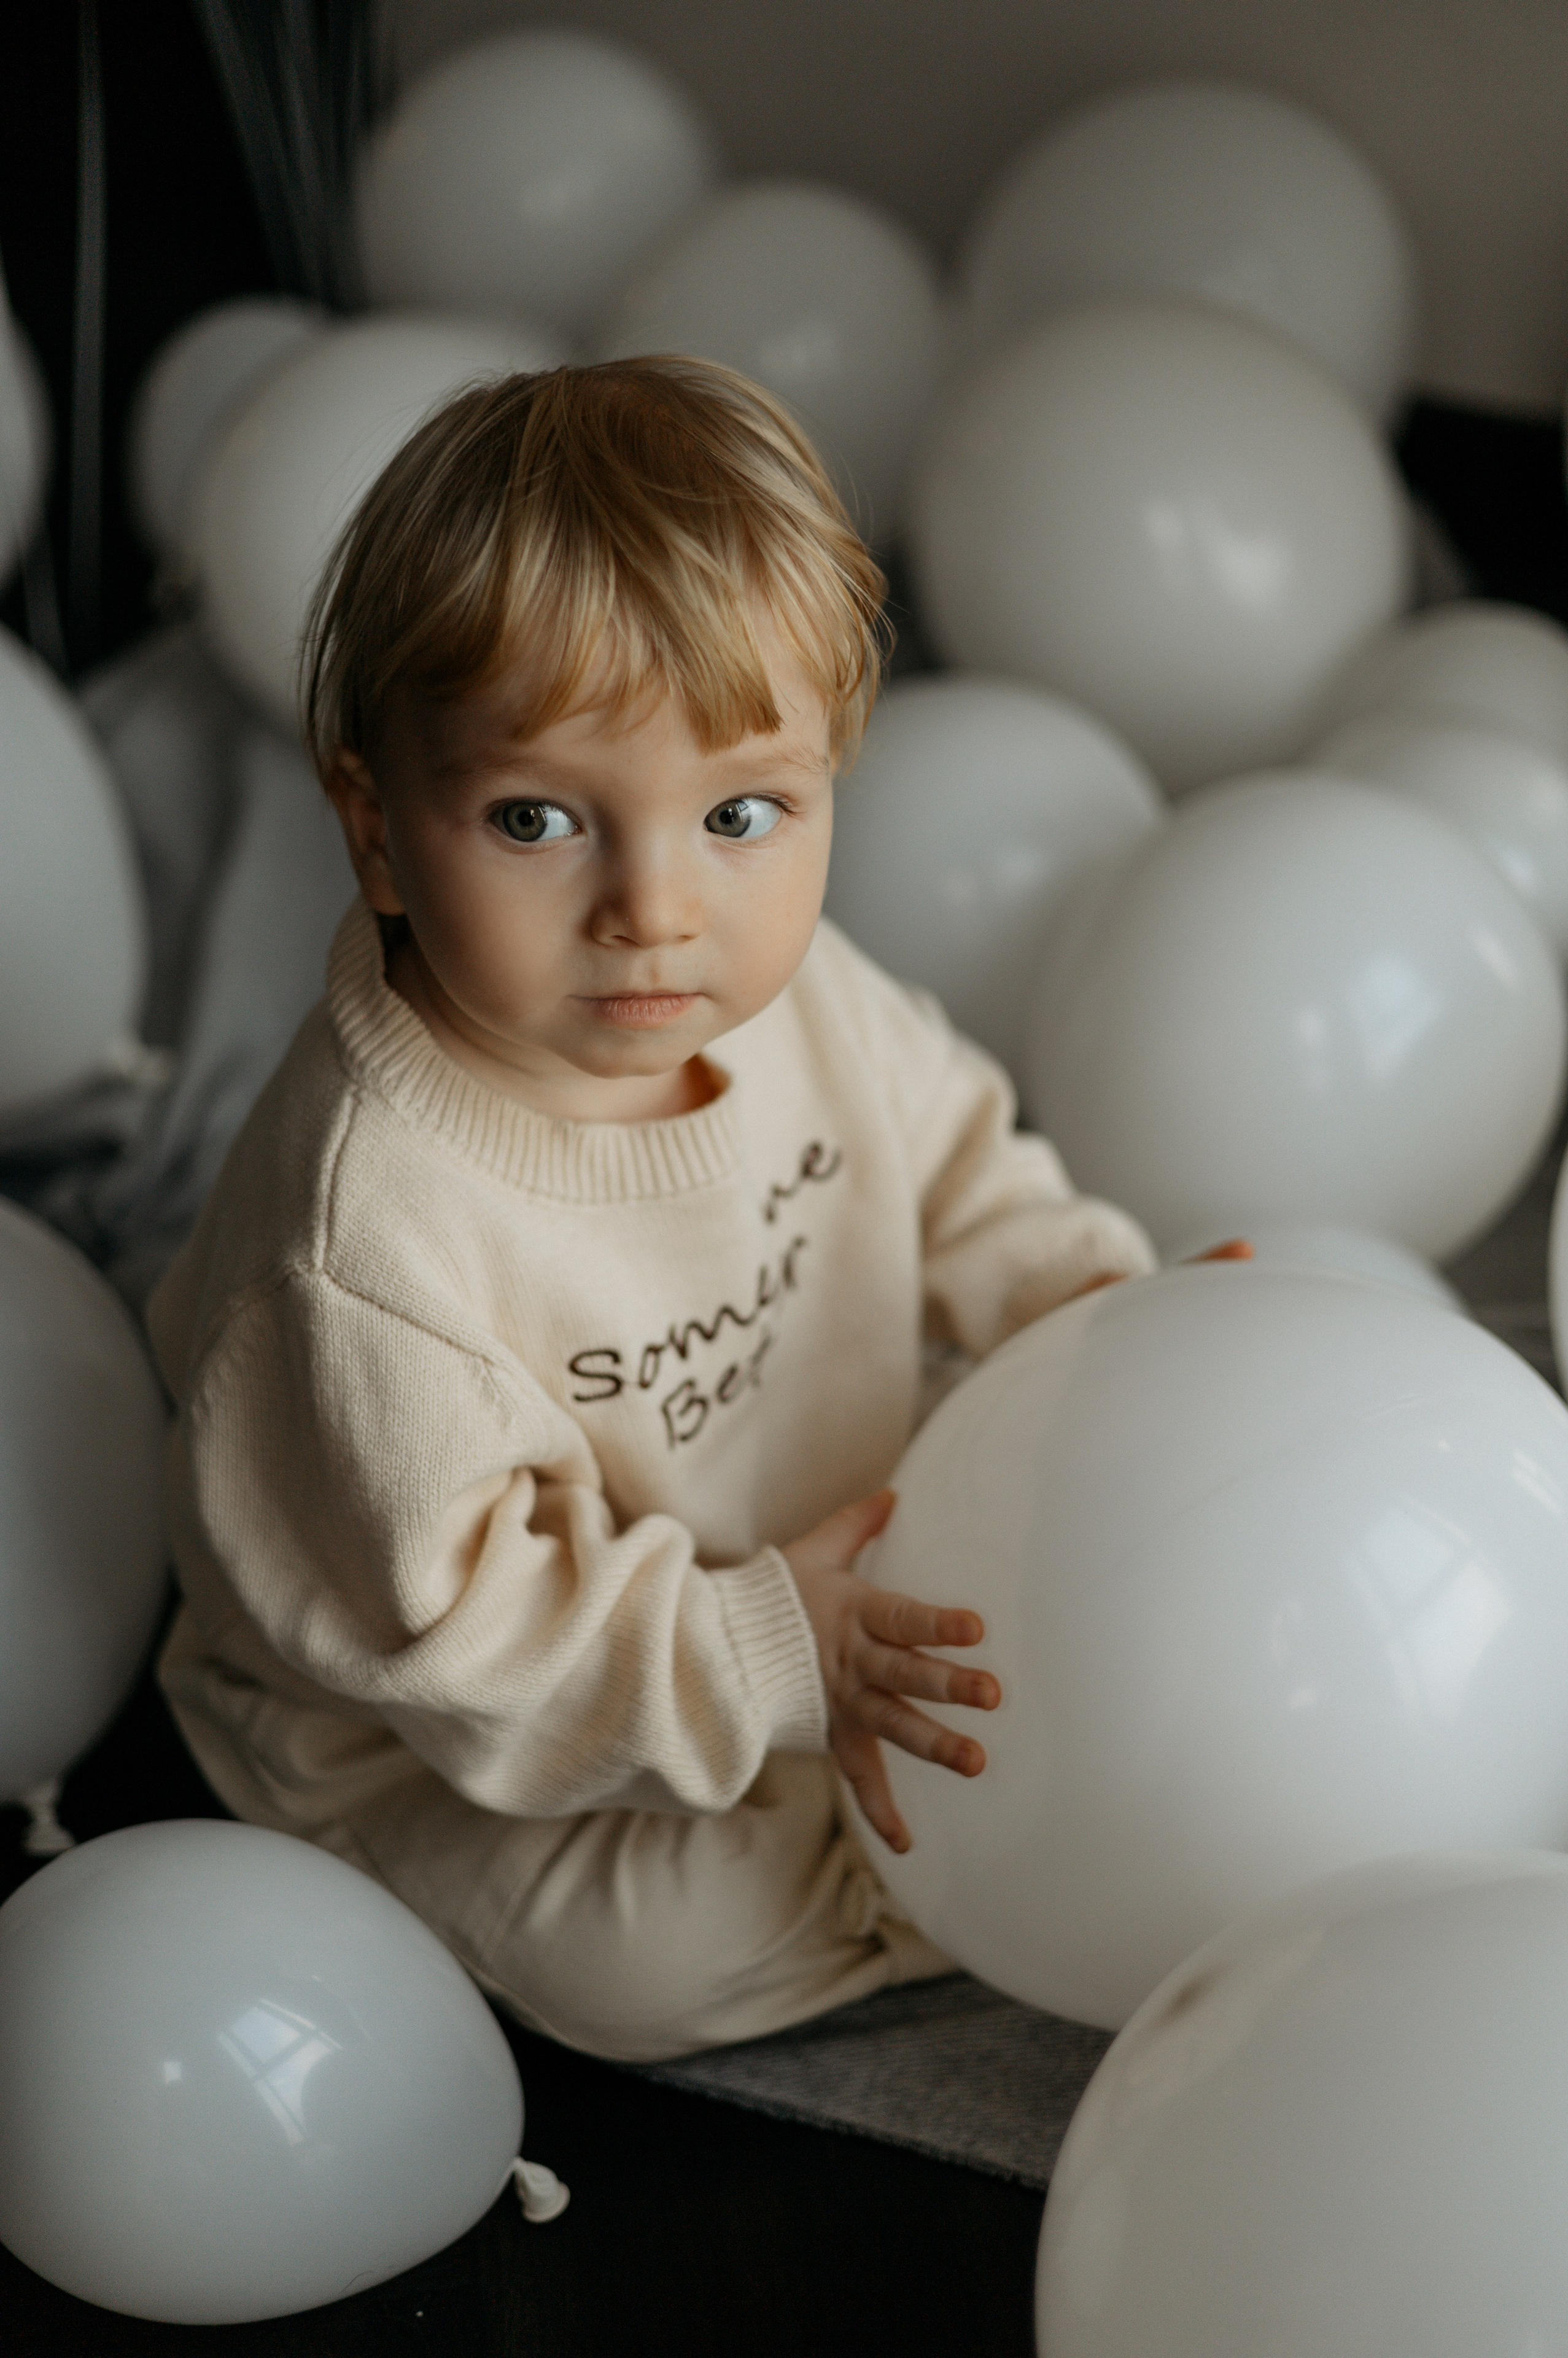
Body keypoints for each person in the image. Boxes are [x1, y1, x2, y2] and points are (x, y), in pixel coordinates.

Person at [147, 356, 1166, 2065]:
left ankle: (885, 1774)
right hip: (448, 1720)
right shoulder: (366, 1242)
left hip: (790, 1563)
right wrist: (768, 1650)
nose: (657, 909)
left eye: (743, 812)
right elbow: (468, 1635)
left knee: (1086, 1614)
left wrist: (1106, 1314)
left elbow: (962, 1161)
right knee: (652, 1965)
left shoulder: (797, 995)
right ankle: (882, 1879)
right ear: (379, 831)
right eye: (538, 819)